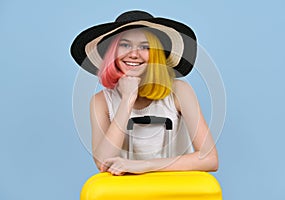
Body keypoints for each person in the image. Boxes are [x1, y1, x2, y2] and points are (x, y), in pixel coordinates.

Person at [70, 10, 218, 176]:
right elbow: (103, 161)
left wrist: (144, 165)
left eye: (145, 47)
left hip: (175, 189)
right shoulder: (100, 101)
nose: (133, 54)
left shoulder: (179, 91)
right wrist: (127, 99)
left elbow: (210, 159)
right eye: (124, 45)